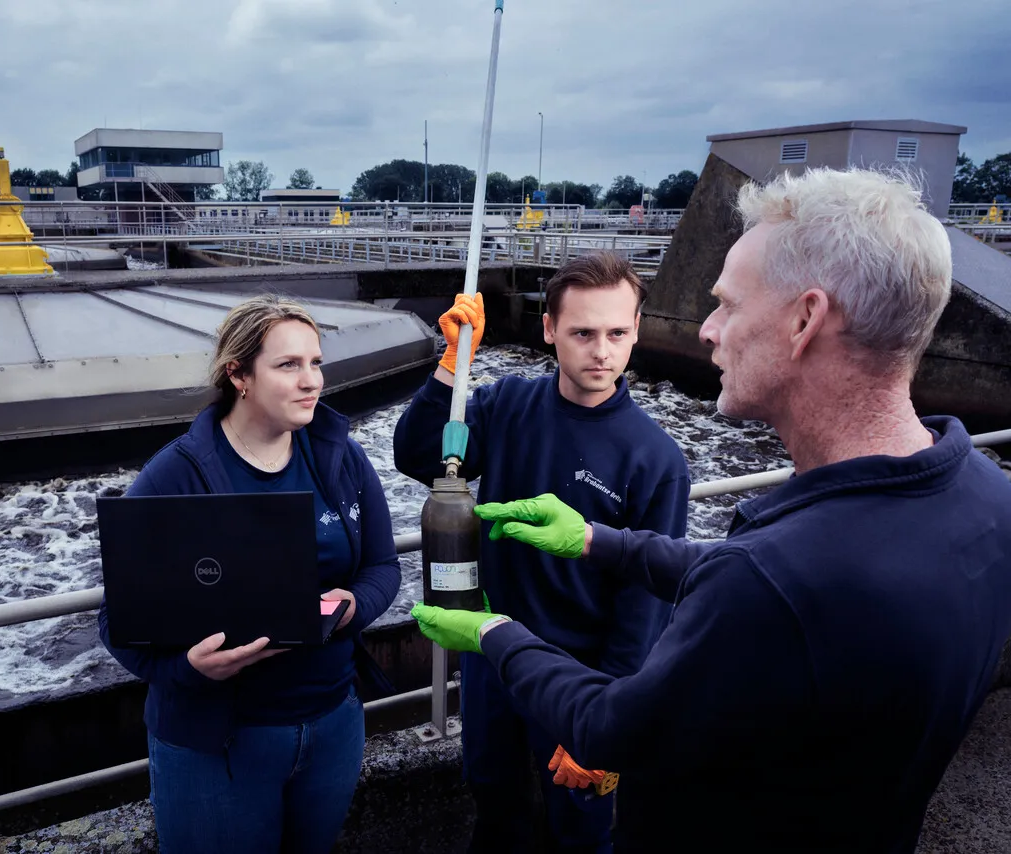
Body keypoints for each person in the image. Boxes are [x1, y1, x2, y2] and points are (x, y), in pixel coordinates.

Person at [412, 167, 1011, 853]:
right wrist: (595, 541)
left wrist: (494, 633)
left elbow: (614, 726)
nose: (706, 330)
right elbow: (747, 574)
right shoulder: (989, 499)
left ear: (805, 319)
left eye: (727, 303)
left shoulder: (769, 580)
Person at [394, 253, 690, 853]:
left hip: (582, 678)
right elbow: (419, 455)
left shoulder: (657, 459)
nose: (601, 351)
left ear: (637, 330)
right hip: (492, 654)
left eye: (617, 333)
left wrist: (609, 716)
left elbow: (646, 604)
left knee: (580, 828)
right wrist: (452, 366)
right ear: (550, 329)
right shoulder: (506, 406)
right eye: (582, 333)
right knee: (493, 800)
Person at [98, 294, 401, 854]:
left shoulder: (338, 455)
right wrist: (189, 668)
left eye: (315, 362)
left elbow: (383, 567)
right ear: (238, 374)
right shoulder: (177, 474)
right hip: (219, 743)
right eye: (288, 365)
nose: (312, 381)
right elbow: (118, 617)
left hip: (333, 722)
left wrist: (354, 604)